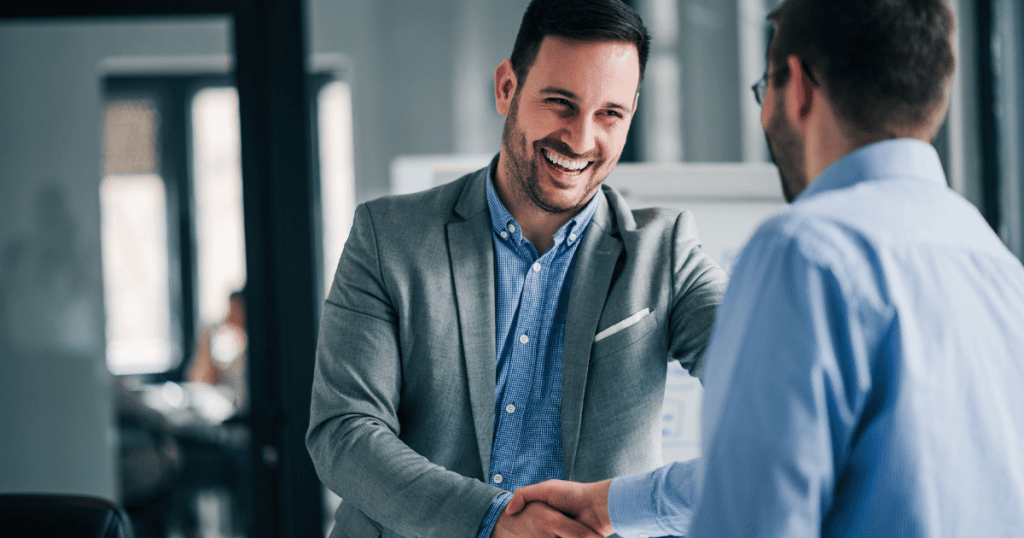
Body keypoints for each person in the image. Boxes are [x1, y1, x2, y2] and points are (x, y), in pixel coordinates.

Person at [507, 0, 1024, 536]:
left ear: (796, 86)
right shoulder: (1000, 269)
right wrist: (613, 503)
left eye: (764, 88)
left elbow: (754, 514)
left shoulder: (806, 252)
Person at [305, 1, 727, 537]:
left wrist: (628, 505)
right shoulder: (388, 238)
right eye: (560, 103)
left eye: (609, 114)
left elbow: (782, 402)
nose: (580, 138)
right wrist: (491, 522)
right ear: (507, 87)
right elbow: (343, 433)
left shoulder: (665, 256)